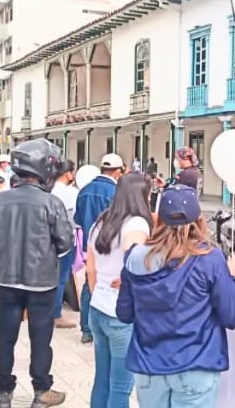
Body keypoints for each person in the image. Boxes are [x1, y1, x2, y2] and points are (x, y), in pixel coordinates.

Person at [117, 185, 235, 407]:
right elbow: (231, 316)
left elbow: (124, 313)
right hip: (195, 363)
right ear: (198, 219)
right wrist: (233, 279)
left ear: (159, 218)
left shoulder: (134, 257)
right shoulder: (210, 259)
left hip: (149, 367)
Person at [0, 138, 74, 408]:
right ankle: (41, 391)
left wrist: (9, 249)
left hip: (8, 280)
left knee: (5, 337)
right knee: (41, 339)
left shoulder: (0, 200)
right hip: (42, 284)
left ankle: (3, 393)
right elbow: (65, 243)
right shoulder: (51, 202)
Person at [87, 173, 153, 408]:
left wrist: (98, 292)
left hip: (98, 308)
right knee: (121, 387)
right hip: (120, 315)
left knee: (102, 381)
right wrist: (129, 278)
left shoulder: (101, 222)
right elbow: (134, 254)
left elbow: (90, 267)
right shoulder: (136, 223)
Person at [75, 153, 124, 344]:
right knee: (108, 284)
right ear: (118, 171)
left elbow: (78, 219)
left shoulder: (85, 190)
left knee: (89, 284)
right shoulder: (114, 192)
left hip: (90, 242)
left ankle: (86, 329)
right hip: (109, 245)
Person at [50, 159, 79, 329]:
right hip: (66, 239)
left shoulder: (51, 190)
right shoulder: (70, 193)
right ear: (68, 173)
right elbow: (74, 219)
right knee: (61, 278)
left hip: (50, 239)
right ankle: (56, 314)